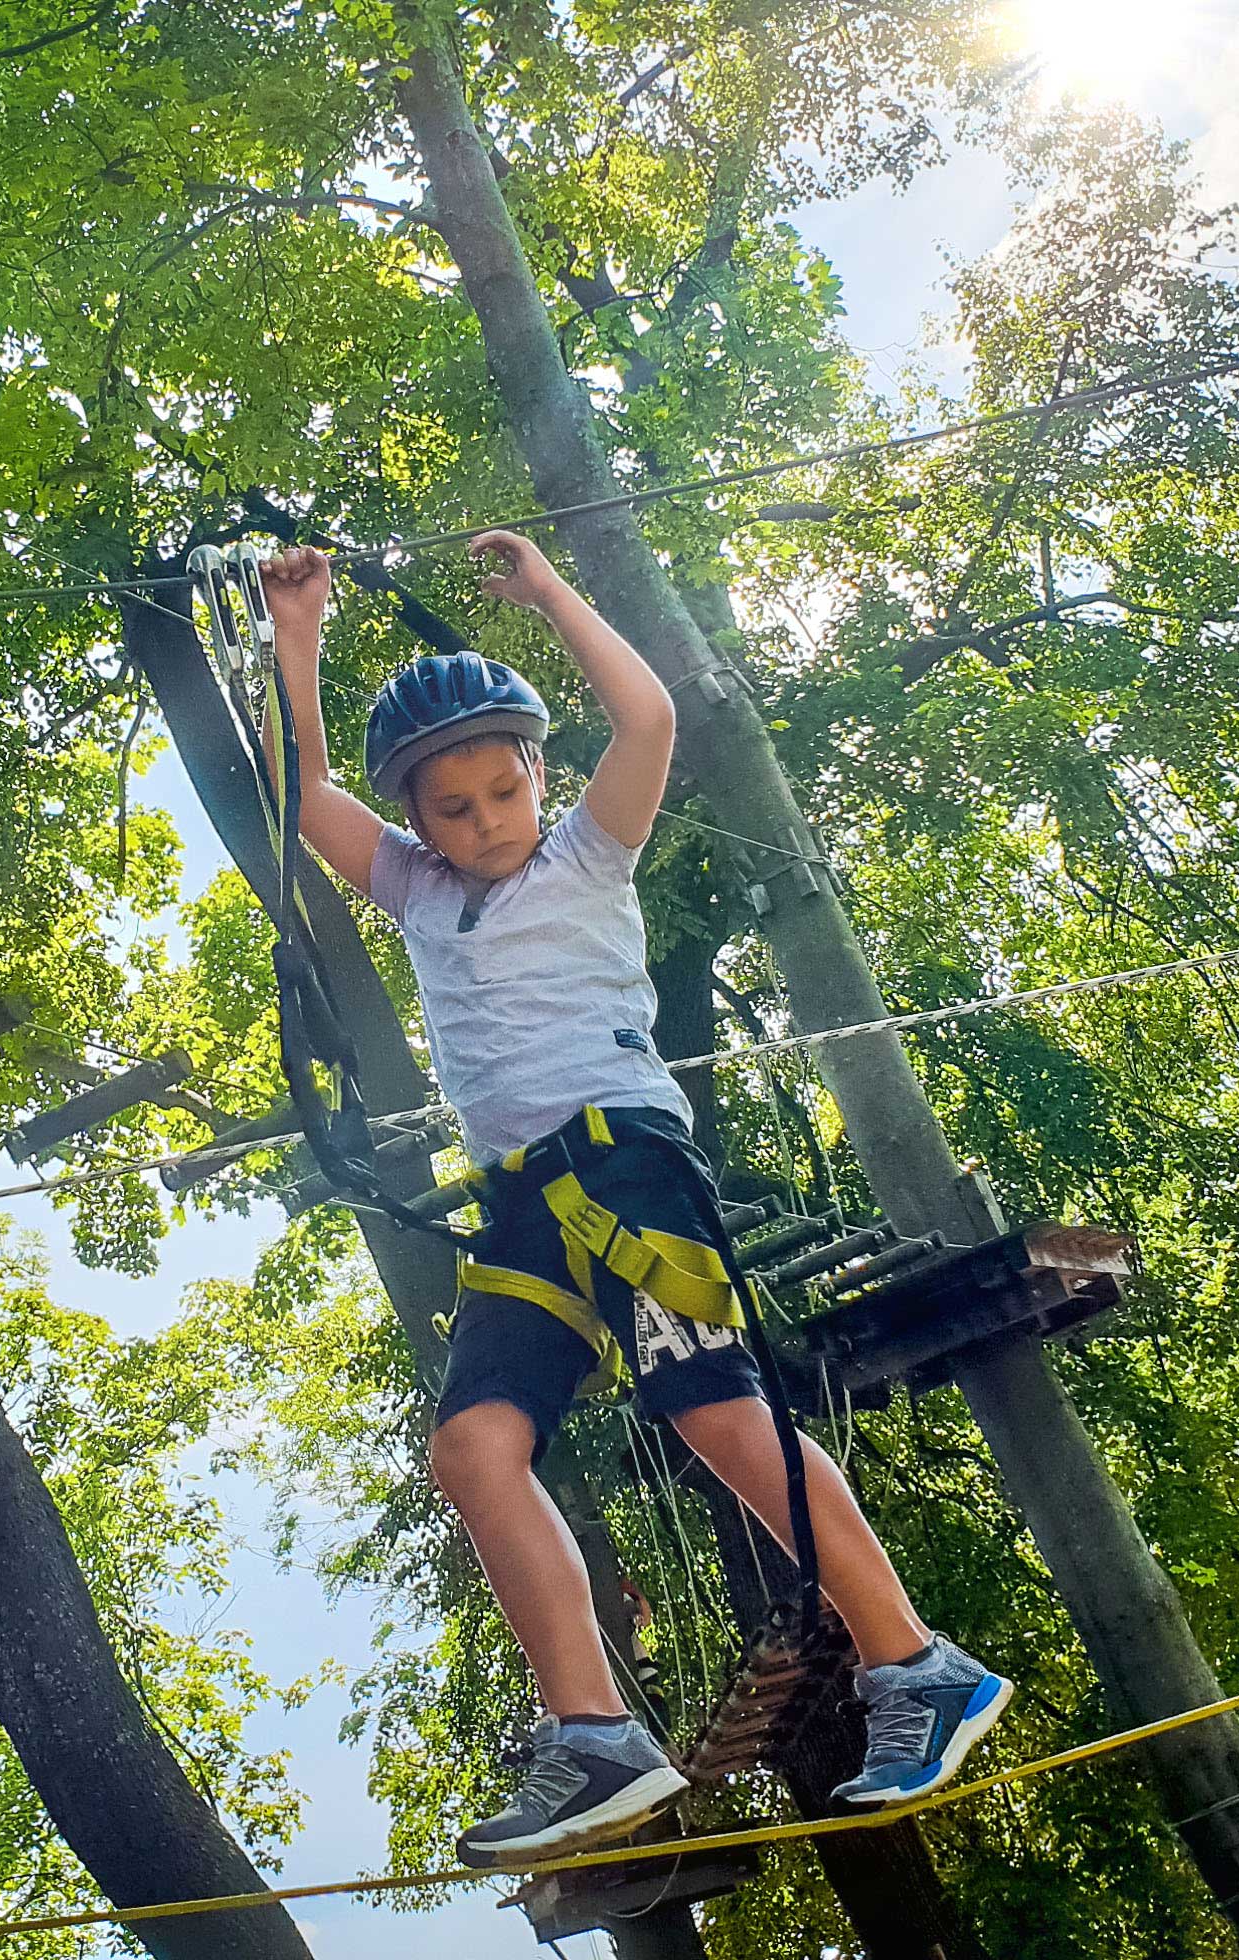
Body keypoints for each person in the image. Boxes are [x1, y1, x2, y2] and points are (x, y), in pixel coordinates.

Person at [265, 534, 1013, 1866]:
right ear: (418, 822)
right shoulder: (416, 892)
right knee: (472, 1453)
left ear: (540, 775)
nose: (488, 820)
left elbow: (651, 718)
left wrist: (549, 593)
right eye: (455, 807)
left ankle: (914, 1663)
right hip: (521, 1212)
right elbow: (303, 790)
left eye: (507, 789)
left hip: (627, 1170)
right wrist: (299, 632)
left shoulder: (586, 856)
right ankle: (597, 1735)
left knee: (718, 1417)